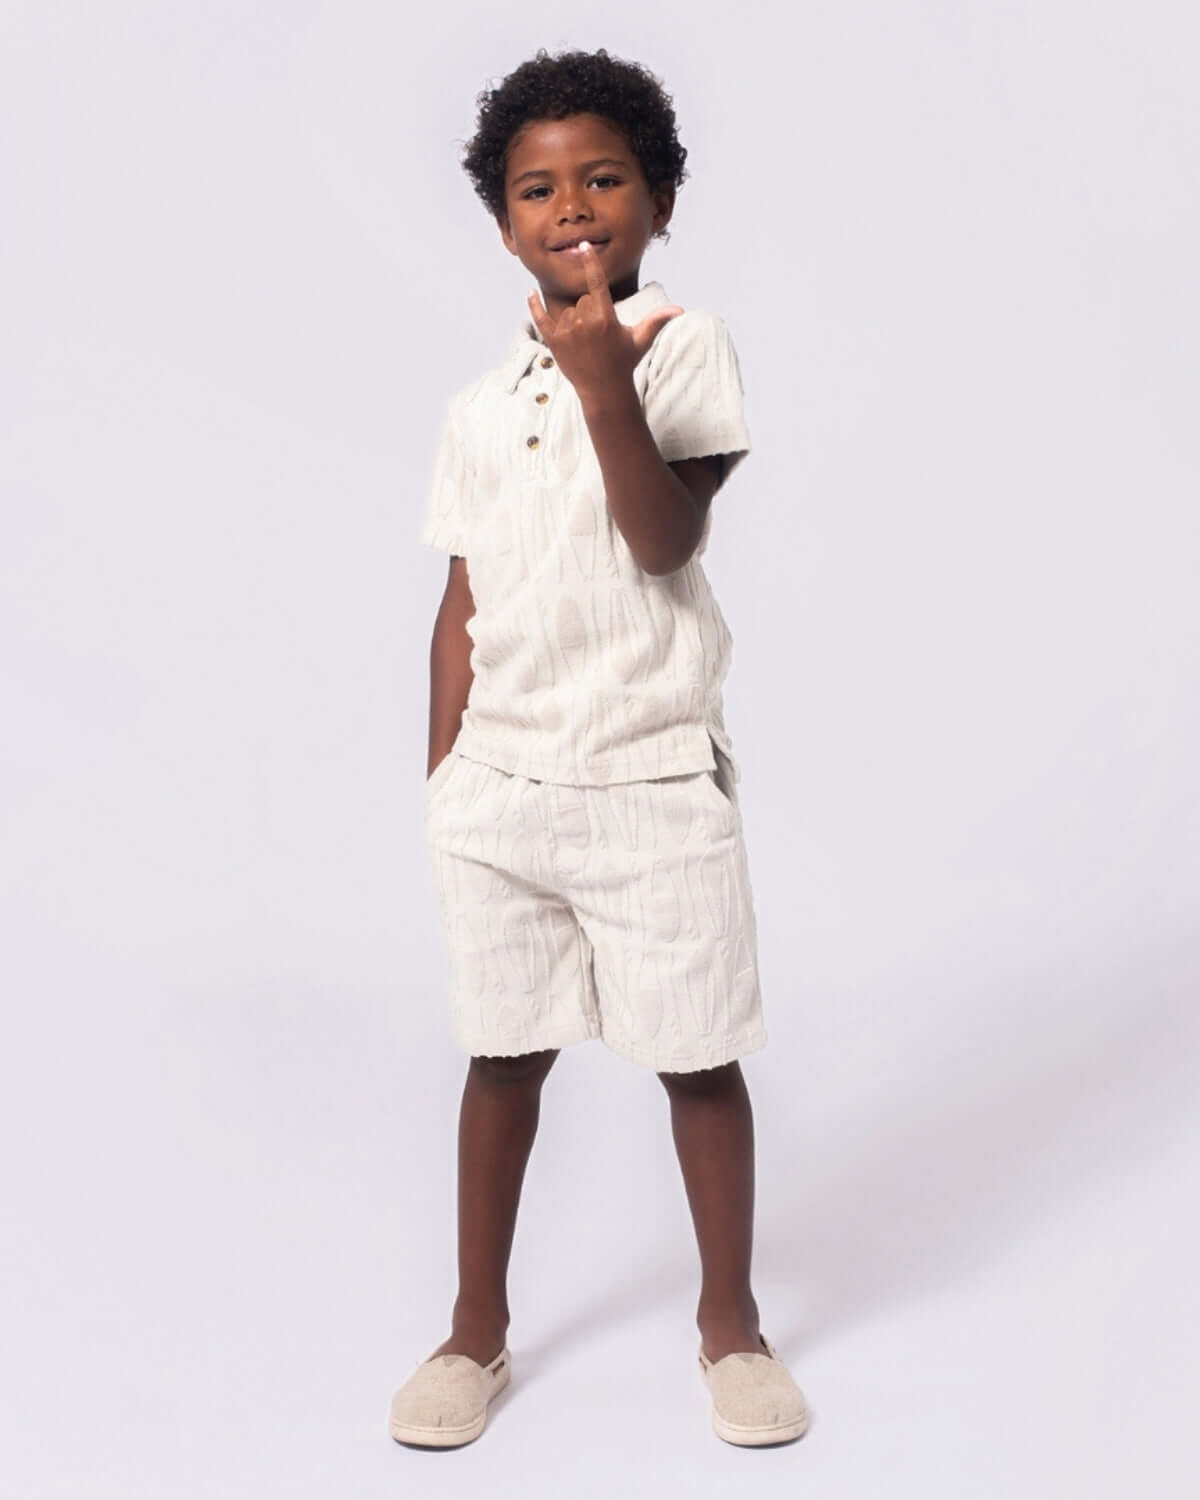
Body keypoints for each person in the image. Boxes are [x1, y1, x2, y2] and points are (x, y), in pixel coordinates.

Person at [389, 47, 808, 1450]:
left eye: (605, 178)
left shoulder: (684, 346)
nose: (572, 206)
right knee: (502, 1059)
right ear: (504, 224)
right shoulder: (474, 409)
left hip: (649, 779)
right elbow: (461, 603)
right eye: (538, 189)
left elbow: (665, 539)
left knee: (698, 1060)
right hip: (501, 793)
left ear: (660, 201)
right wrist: (445, 775)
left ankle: (731, 1326)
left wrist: (603, 387)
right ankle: (475, 1332)